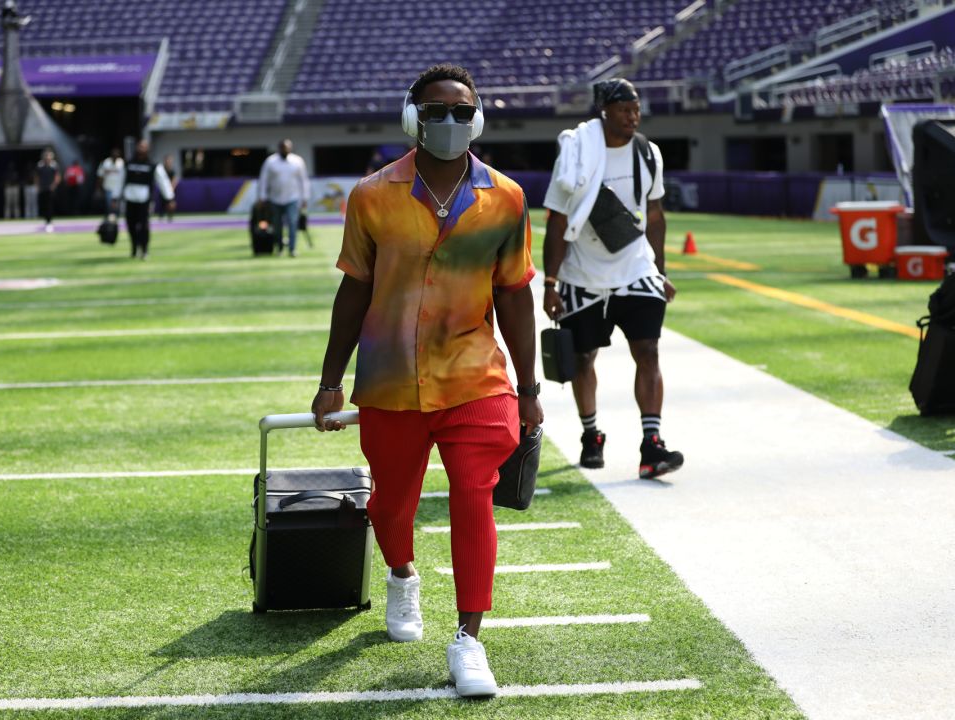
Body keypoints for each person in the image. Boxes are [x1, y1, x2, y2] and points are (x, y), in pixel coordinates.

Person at [311, 64, 541, 699]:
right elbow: (354, 289)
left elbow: (516, 297)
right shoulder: (372, 195)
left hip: (475, 376)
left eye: (461, 111)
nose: (449, 122)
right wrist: (331, 380)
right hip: (389, 380)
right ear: (413, 117)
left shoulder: (507, 198)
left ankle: (470, 638)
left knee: (474, 492)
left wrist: (530, 388)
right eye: (435, 111)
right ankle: (402, 573)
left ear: (478, 118)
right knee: (391, 502)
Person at [541, 78, 684, 479]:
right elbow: (557, 221)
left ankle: (651, 445)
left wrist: (660, 271)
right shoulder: (576, 154)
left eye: (637, 109)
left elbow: (654, 216)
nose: (633, 116)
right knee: (584, 358)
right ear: (605, 110)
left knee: (649, 350)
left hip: (635, 269)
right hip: (582, 274)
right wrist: (550, 283)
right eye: (625, 109)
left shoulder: (648, 153)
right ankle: (591, 434)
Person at [121, 139, 175, 260]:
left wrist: (169, 198)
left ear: (148, 150)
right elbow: (120, 180)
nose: (141, 149)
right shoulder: (128, 164)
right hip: (130, 199)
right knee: (131, 225)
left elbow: (164, 182)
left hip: (145, 200)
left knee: (144, 226)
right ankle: (134, 248)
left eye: (144, 147)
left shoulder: (153, 165)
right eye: (140, 146)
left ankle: (144, 249)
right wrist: (115, 197)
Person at [256, 139, 310, 257]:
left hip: (292, 198)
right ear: (279, 148)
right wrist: (262, 197)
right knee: (277, 225)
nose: (285, 150)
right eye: (283, 148)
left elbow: (303, 180)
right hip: (275, 198)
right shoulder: (270, 161)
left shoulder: (297, 161)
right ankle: (279, 248)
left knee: (292, 222)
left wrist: (304, 197)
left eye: (287, 148)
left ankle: (292, 248)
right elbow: (264, 180)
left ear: (290, 148)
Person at [35, 149, 60, 232]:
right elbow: (37, 177)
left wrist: (53, 185)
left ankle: (49, 221)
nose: (47, 158)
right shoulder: (40, 165)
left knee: (49, 205)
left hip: (50, 188)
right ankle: (46, 220)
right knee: (43, 204)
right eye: (46, 156)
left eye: (49, 156)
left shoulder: (54, 165)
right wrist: (38, 186)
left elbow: (57, 176)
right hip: (43, 187)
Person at [98, 146, 125, 217]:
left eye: (117, 154)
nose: (115, 155)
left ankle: (116, 217)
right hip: (108, 187)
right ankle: (109, 218)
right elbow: (100, 175)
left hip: (118, 187)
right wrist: (99, 187)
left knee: (117, 205)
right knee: (109, 204)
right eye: (114, 154)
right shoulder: (106, 162)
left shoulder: (121, 163)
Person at [157, 154, 180, 221]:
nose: (168, 161)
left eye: (170, 160)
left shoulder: (172, 171)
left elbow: (175, 180)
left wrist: (171, 188)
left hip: (170, 190)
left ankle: (170, 216)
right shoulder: (161, 170)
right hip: (163, 189)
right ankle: (161, 216)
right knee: (162, 203)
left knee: (171, 204)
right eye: (167, 160)